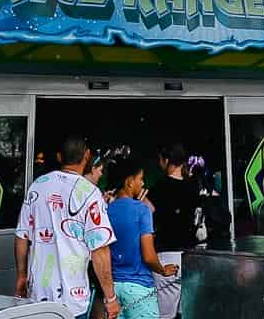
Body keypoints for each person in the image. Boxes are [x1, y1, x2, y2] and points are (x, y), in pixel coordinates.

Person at [16, 135, 119, 318]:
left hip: (37, 295)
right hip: (72, 300)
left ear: (58, 157)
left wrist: (22, 275)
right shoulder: (90, 193)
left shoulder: (37, 187)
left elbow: (22, 236)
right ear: (86, 156)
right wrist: (110, 298)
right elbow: (100, 250)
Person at [104, 158, 178, 319]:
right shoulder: (142, 210)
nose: (143, 183)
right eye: (140, 179)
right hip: (139, 289)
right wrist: (163, 270)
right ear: (129, 182)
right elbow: (149, 256)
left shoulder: (106, 210)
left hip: (113, 289)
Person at [145, 143, 201, 319]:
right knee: (188, 312)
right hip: (191, 256)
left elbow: (144, 212)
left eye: (160, 160)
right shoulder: (193, 187)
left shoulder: (160, 187)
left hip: (167, 256)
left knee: (165, 314)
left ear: (166, 160)